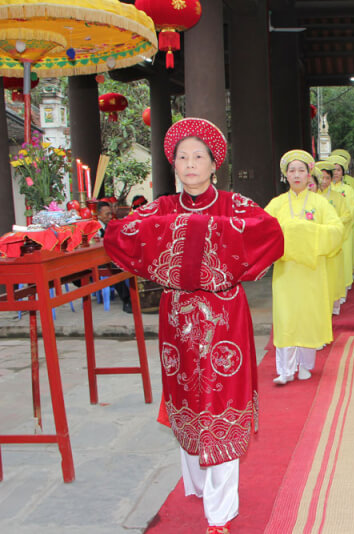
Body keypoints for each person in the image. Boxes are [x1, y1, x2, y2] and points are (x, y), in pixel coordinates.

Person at [103, 118, 284, 534]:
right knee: (185, 394)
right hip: (178, 318)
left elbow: (269, 233)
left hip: (225, 317)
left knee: (222, 401)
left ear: (214, 164)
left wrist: (191, 233)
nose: (189, 164)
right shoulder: (163, 207)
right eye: (182, 158)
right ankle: (199, 484)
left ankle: (220, 513)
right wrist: (189, 232)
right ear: (174, 165)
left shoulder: (235, 205)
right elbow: (120, 233)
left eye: (198, 157)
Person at [266, 150, 344, 385]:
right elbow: (263, 231)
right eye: (292, 171)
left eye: (301, 170)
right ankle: (285, 369)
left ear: (309, 174)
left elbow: (336, 230)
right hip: (286, 272)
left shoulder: (320, 203)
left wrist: (307, 231)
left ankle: (305, 366)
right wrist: (289, 232)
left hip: (312, 271)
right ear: (286, 175)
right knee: (286, 317)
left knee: (308, 315)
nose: (297, 175)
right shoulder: (277, 204)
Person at [315, 160, 351, 315]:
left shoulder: (338, 197)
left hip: (332, 241)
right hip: (316, 241)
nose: (324, 181)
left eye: (327, 178)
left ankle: (333, 305)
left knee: (333, 273)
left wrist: (333, 225)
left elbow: (347, 215)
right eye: (321, 178)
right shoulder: (311, 197)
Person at [327, 154, 354, 290]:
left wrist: (344, 218)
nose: (336, 173)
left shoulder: (348, 190)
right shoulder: (325, 190)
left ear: (343, 172)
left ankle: (345, 282)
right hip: (329, 229)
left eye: (338, 170)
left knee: (345, 255)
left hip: (345, 227)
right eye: (333, 170)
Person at [94, 201, 133, 313]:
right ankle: (126, 300)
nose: (110, 216)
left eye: (110, 214)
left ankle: (134, 295)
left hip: (110, 256)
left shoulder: (110, 226)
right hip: (98, 260)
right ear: (98, 215)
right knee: (116, 268)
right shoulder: (94, 228)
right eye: (107, 214)